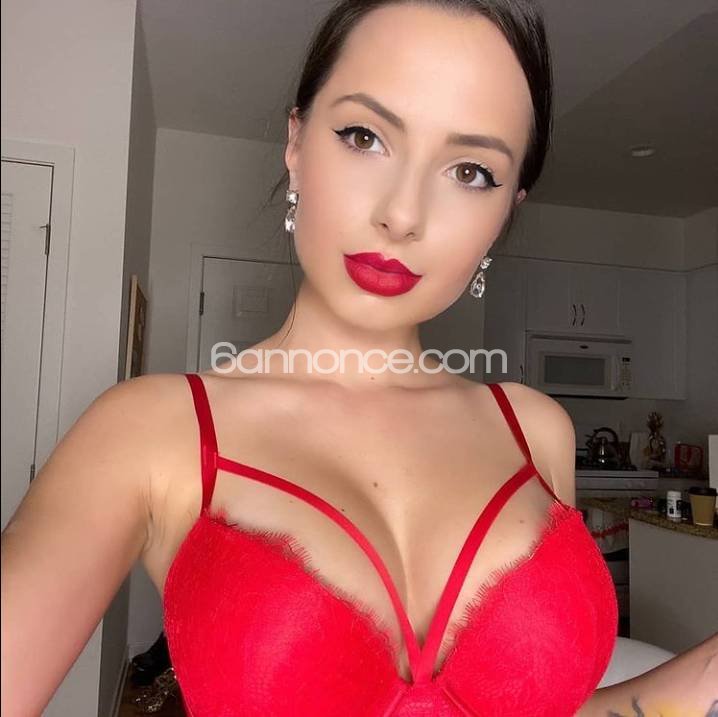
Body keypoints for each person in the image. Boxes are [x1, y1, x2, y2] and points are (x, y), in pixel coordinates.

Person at [2, 1, 716, 715]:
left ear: (507, 211)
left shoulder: (535, 431)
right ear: (296, 143)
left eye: (471, 172)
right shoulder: (151, 432)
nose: (403, 214)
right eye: (364, 135)